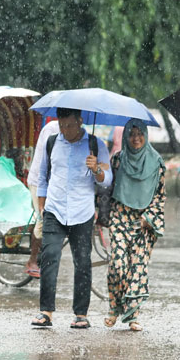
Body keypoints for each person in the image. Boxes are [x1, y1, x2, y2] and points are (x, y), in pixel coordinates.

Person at [31, 108, 112, 329]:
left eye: (69, 125)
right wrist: (41, 206)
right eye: (62, 125)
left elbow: (107, 180)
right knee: (49, 257)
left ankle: (81, 314)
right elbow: (43, 175)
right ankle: (45, 311)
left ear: (80, 121)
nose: (65, 130)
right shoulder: (52, 142)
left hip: (82, 211)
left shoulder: (96, 145)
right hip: (54, 209)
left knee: (82, 262)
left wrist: (97, 170)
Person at [105, 119, 166, 331]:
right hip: (120, 216)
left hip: (144, 222)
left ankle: (133, 316)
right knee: (117, 265)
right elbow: (108, 187)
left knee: (137, 268)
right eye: (131, 134)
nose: (136, 138)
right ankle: (114, 308)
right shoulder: (118, 160)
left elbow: (160, 195)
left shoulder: (156, 162)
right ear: (126, 137)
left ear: (146, 135)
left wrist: (148, 217)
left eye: (140, 134)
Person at [24, 119, 61, 277]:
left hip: (56, 181)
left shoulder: (78, 132)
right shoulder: (51, 129)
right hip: (39, 180)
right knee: (43, 219)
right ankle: (32, 260)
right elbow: (46, 161)